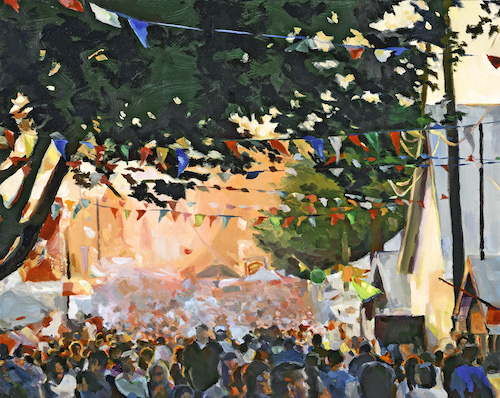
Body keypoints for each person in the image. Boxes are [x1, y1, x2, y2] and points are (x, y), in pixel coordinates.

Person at [183, 324, 223, 394]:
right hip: (199, 387)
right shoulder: (189, 350)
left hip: (215, 386)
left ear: (207, 332)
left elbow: (222, 364)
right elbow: (186, 370)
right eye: (198, 331)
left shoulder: (216, 347)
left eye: (202, 331)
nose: (200, 334)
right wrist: (192, 386)